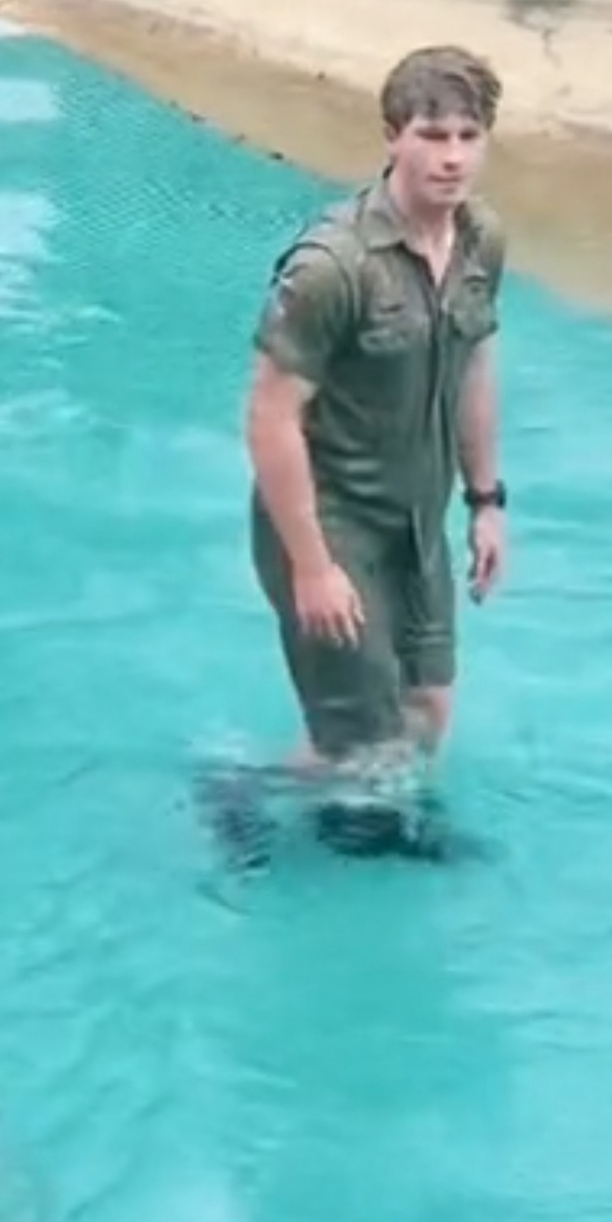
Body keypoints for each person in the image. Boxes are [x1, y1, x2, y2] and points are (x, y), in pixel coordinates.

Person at [244, 45, 508, 794]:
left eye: (468, 136)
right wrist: (312, 565)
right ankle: (261, 807)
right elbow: (269, 418)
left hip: (416, 522)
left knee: (427, 711)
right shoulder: (332, 268)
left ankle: (264, 792)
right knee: (363, 747)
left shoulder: (481, 241)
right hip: (332, 523)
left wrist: (486, 502)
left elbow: (475, 366)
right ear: (393, 136)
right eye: (432, 135)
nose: (452, 157)